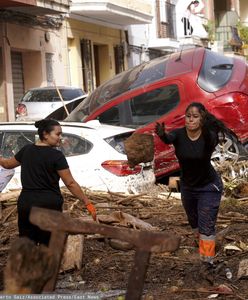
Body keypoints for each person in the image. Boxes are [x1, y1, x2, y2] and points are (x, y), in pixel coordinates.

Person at [155, 102, 237, 282]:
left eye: (195, 116)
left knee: (206, 226)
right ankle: (205, 244)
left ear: (202, 119)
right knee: (195, 224)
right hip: (188, 187)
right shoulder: (178, 134)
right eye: (188, 116)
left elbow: (212, 134)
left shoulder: (209, 136)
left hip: (209, 187)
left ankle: (207, 263)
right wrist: (162, 134)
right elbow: (168, 139)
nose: (190, 120)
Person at [0, 119, 97, 246]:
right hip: (48, 206)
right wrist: (87, 202)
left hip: (26, 204)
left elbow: (7, 164)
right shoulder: (56, 156)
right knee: (48, 245)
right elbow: (70, 183)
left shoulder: (26, 150)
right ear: (45, 134)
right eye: (57, 134)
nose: (60, 138)